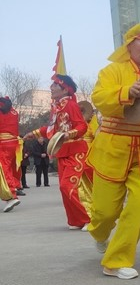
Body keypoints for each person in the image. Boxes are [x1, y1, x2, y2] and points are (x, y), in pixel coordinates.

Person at [86, 24, 140, 280]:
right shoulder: (112, 71)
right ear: (129, 44)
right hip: (113, 148)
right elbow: (99, 98)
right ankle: (100, 234)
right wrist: (125, 92)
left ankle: (116, 260)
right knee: (104, 213)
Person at [24, 75, 90, 229]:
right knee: (63, 188)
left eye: (55, 85)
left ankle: (87, 219)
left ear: (65, 89)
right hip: (62, 151)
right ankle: (75, 221)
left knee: (68, 186)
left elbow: (82, 126)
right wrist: (33, 133)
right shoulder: (56, 107)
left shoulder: (71, 105)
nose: (51, 88)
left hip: (75, 150)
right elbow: (50, 129)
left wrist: (69, 134)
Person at [0, 97, 22, 212]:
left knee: (4, 171)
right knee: (10, 169)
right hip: (13, 143)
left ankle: (11, 196)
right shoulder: (13, 111)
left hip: (3, 144)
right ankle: (14, 188)